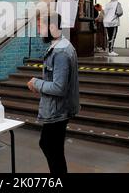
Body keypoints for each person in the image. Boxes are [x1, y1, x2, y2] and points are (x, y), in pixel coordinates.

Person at [27, 11, 80, 174]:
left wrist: (37, 82)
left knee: (50, 147)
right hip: (58, 109)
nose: (38, 31)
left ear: (51, 27)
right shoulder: (59, 46)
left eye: (40, 26)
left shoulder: (61, 52)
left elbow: (59, 87)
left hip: (58, 110)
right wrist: (41, 86)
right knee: (52, 148)